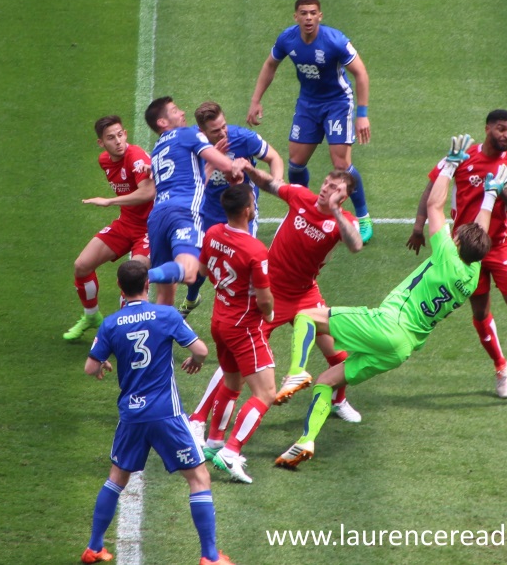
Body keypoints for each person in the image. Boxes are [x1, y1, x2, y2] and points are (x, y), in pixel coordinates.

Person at [274, 135, 507, 469]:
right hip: (402, 349)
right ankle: (305, 440)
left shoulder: (447, 255)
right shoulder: (471, 274)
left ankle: (296, 372)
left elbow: (435, 207)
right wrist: (491, 196)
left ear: (456, 242)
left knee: (307, 317)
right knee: (327, 381)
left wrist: (449, 165)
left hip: (387, 324)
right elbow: (479, 236)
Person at [188, 164, 364, 448]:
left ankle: (338, 400)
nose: (326, 189)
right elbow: (270, 183)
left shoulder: (344, 221)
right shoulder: (300, 196)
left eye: (335, 188)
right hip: (271, 293)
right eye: (326, 183)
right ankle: (198, 418)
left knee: (338, 354)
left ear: (343, 197)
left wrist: (334, 211)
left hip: (305, 295)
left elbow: (356, 245)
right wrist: (249, 168)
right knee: (237, 364)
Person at [80, 260, 234, 565]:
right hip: (166, 413)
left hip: (132, 416)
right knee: (199, 478)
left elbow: (90, 367)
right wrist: (195, 361)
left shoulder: (111, 323)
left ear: (120, 287)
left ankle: (94, 547)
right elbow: (201, 350)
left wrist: (103, 363)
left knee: (116, 479)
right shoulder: (166, 315)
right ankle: (210, 556)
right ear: (147, 285)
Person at [406, 109, 507, 399]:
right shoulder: (464, 158)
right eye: (501, 129)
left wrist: (501, 190)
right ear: (487, 128)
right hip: (466, 250)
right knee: (480, 312)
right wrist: (418, 226)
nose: (506, 135)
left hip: (499, 246)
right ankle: (500, 366)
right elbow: (432, 189)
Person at [246, 0, 374, 243]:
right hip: (308, 104)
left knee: (341, 164)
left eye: (313, 13)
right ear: (296, 17)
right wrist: (255, 100)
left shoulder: (335, 40)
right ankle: (302, 212)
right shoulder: (287, 39)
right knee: (296, 163)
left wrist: (362, 115)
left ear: (320, 16)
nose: (308, 18)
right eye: (303, 13)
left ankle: (363, 217)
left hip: (337, 103)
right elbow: (270, 65)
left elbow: (361, 73)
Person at [195, 185, 275, 484]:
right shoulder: (255, 250)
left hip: (220, 320)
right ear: (247, 210)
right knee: (266, 392)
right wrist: (269, 314)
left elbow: (203, 270)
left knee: (231, 382)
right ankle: (231, 451)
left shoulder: (213, 232)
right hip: (244, 327)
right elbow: (265, 300)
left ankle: (214, 442)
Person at [178, 101, 284, 318]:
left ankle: (251, 311)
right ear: (202, 132)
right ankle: (192, 298)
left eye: (224, 126)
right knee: (199, 266)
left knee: (244, 262)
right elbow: (190, 186)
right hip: (208, 212)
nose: (223, 133)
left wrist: (277, 183)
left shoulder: (242, 138)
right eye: (215, 131)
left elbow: (274, 158)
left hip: (242, 212)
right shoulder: (191, 144)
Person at [143, 96, 247, 306]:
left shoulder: (157, 150)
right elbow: (228, 166)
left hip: (157, 218)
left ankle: (161, 327)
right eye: (175, 110)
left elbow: (197, 180)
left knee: (165, 295)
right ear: (162, 122)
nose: (182, 113)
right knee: (190, 272)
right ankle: (142, 275)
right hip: (183, 211)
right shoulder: (187, 134)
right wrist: (239, 166)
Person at [64, 115, 155, 341]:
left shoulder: (135, 157)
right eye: (111, 138)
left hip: (150, 228)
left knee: (133, 276)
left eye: (120, 135)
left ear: (126, 134)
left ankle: (128, 332)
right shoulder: (104, 160)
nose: (118, 141)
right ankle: (91, 316)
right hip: (126, 223)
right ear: (101, 143)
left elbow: (148, 192)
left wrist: (109, 201)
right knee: (82, 266)